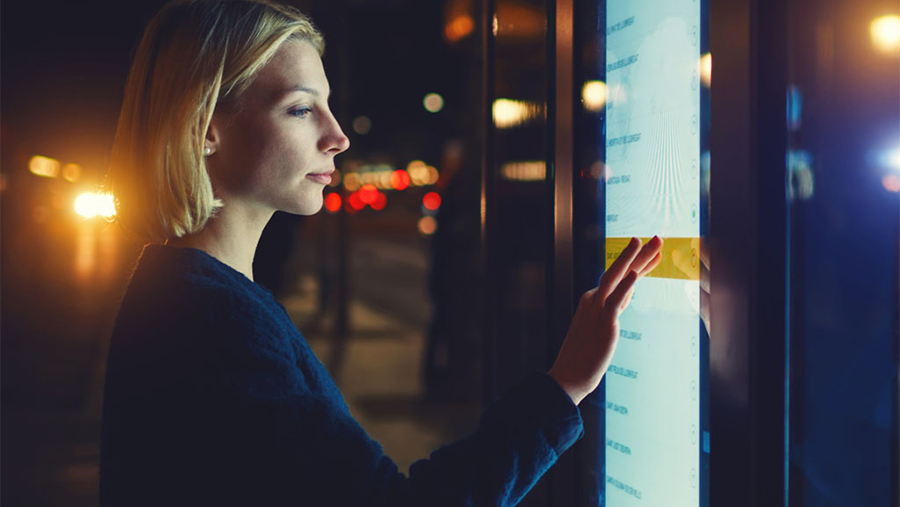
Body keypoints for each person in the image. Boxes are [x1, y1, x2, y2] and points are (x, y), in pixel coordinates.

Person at [100, 1, 664, 505]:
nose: (338, 136)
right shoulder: (214, 319)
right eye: (301, 109)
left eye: (328, 105)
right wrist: (565, 384)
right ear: (205, 129)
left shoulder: (187, 293)